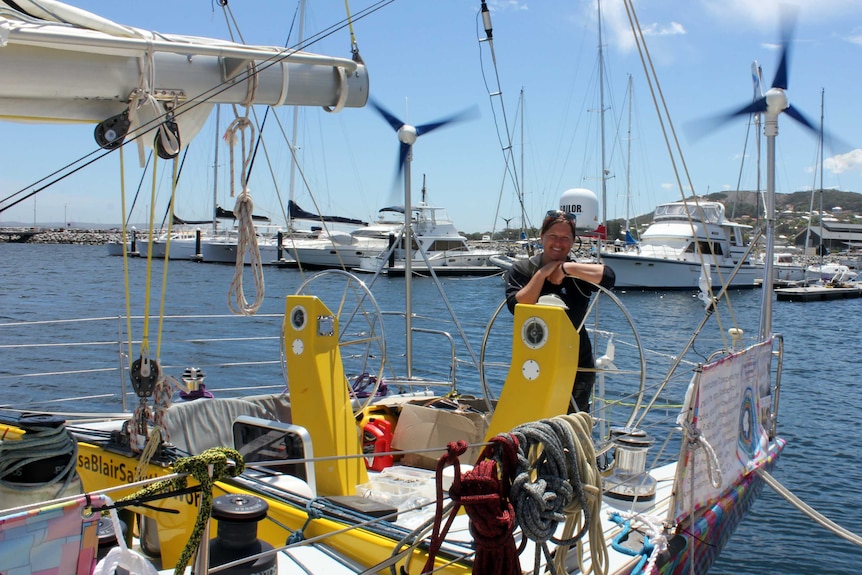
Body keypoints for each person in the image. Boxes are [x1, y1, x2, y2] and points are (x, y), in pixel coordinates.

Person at [504, 210, 615, 414]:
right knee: (531, 419)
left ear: (573, 241)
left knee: (571, 424)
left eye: (565, 238)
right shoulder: (522, 270)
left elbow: (608, 277)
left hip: (577, 364)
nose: (558, 242)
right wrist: (544, 272)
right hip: (532, 362)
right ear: (542, 237)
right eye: (553, 236)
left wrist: (566, 269)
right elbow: (517, 306)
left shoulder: (579, 272)